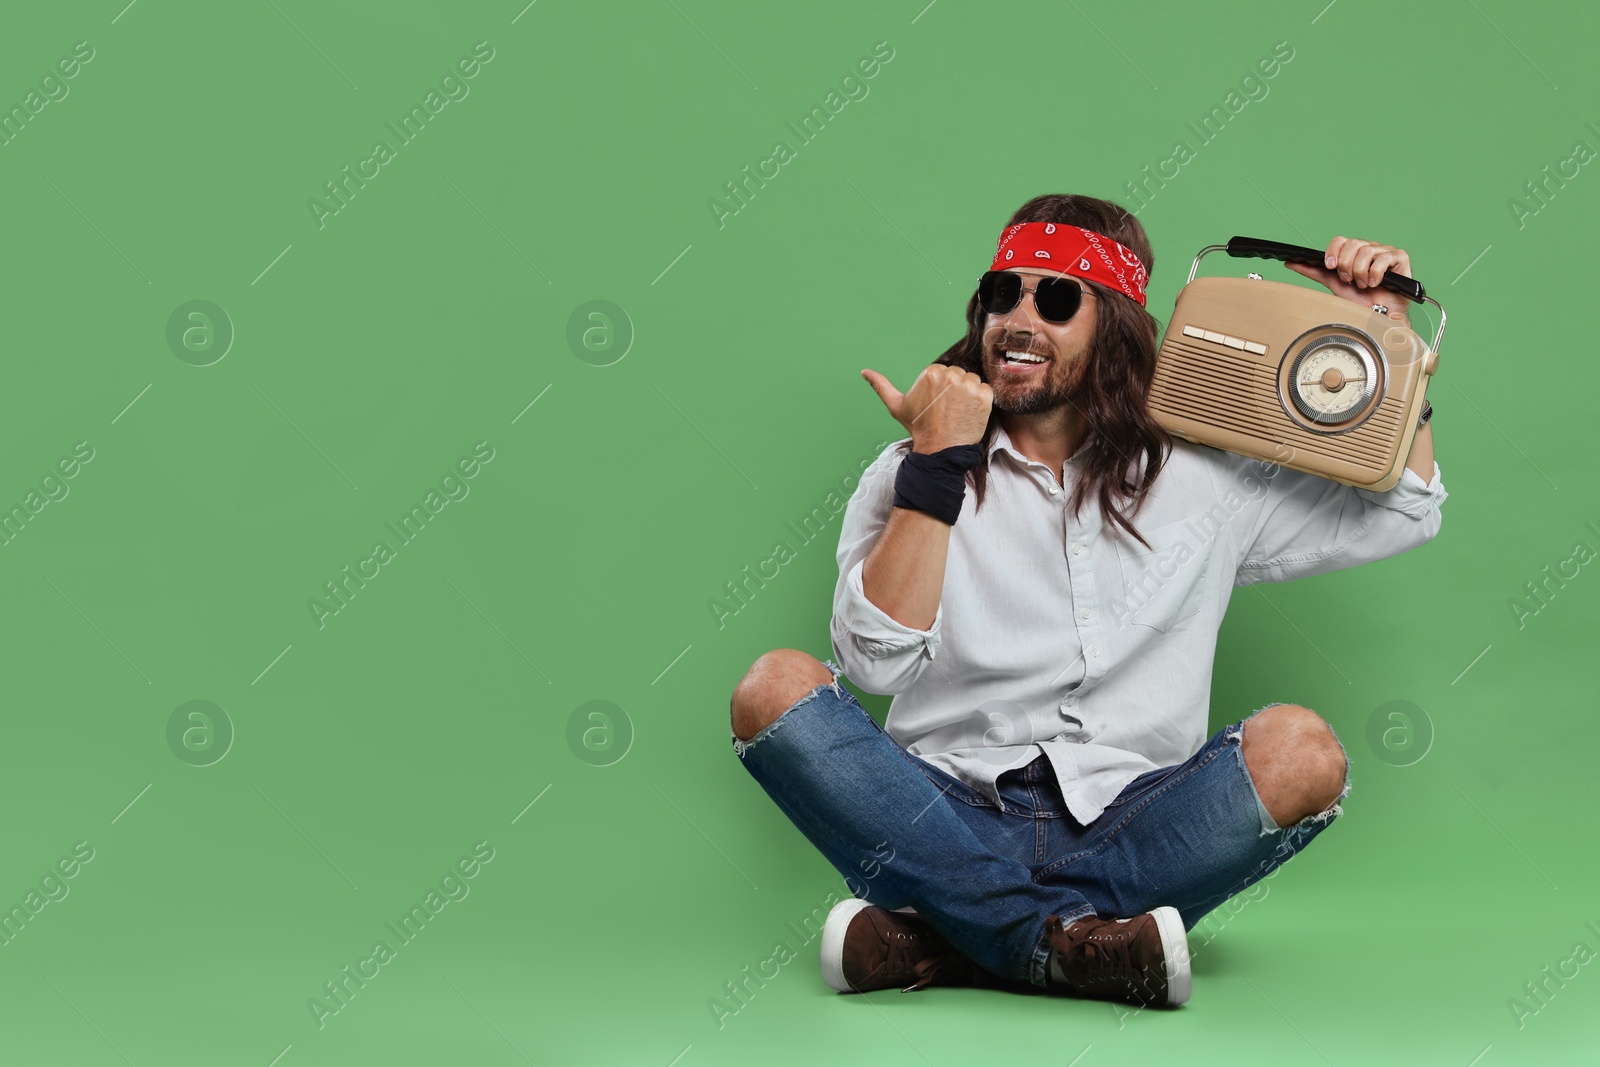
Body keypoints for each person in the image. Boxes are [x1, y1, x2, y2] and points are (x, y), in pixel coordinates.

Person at [728, 194, 1446, 1009]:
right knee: (774, 689)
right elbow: (875, 663)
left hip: (1135, 828)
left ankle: (955, 936)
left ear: (1114, 324)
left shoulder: (1207, 476)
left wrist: (1387, 336)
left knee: (1304, 753)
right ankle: (1067, 949)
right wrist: (936, 466)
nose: (1019, 319)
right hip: (946, 815)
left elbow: (1406, 508)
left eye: (1058, 299)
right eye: (1005, 294)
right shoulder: (912, 471)